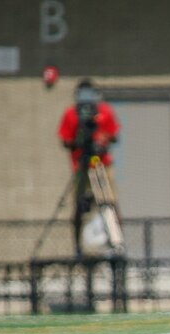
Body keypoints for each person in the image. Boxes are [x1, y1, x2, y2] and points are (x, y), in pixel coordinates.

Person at [57, 78, 121, 255]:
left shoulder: (105, 112)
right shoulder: (71, 114)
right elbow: (65, 140)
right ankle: (78, 247)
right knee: (79, 205)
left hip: (101, 164)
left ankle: (116, 243)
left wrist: (102, 139)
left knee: (110, 202)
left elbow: (114, 135)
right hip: (81, 166)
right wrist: (78, 141)